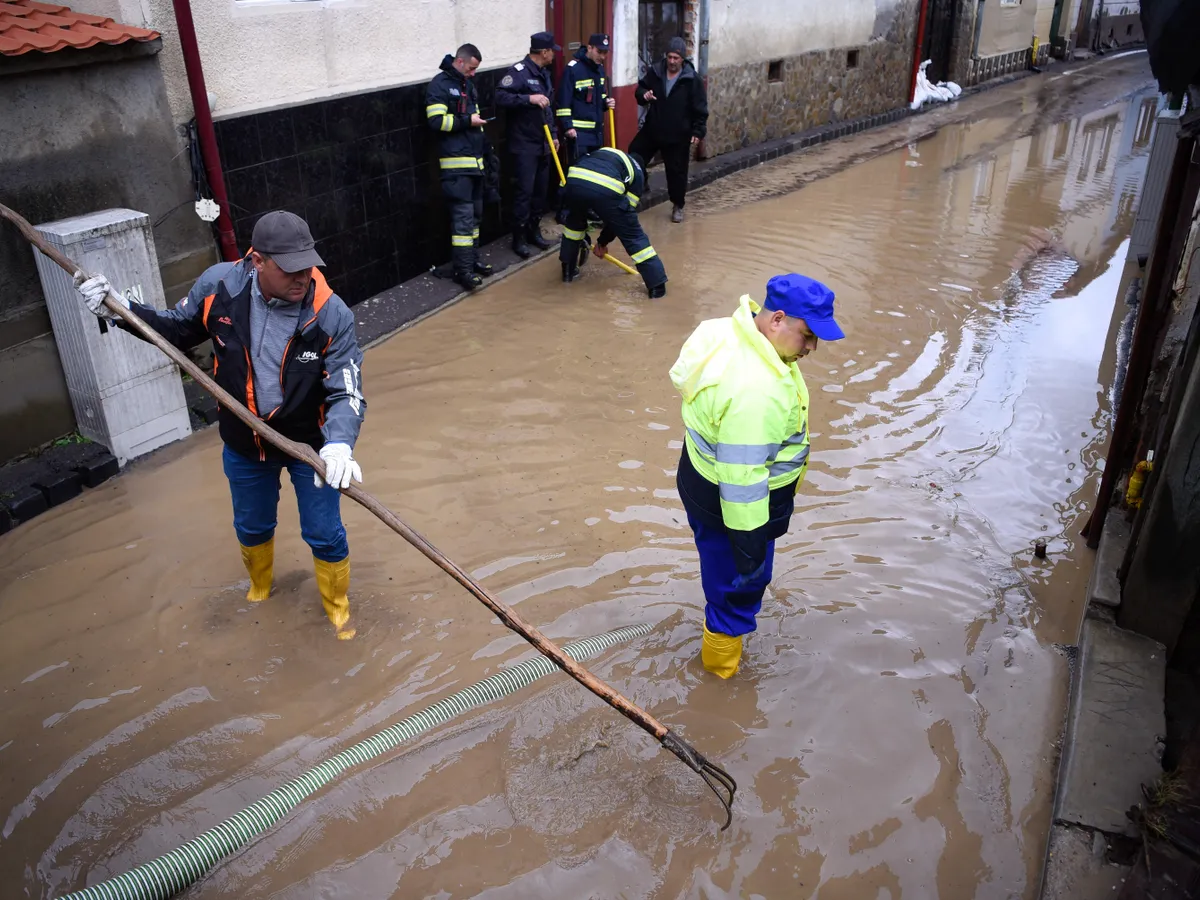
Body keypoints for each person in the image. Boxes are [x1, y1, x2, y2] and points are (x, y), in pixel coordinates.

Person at [73, 211, 367, 641]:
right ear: (257, 261)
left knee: (324, 533)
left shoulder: (330, 314)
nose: (302, 277)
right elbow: (177, 330)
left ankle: (338, 612)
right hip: (245, 442)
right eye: (289, 269)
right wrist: (121, 310)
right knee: (251, 526)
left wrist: (339, 443)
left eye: (307, 266)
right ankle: (260, 589)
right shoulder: (220, 287)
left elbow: (347, 389)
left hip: (310, 446)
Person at [669, 275, 845, 678]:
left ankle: (719, 653)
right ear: (777, 320)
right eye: (808, 336)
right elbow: (742, 477)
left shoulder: (724, 329)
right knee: (736, 591)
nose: (812, 348)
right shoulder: (757, 391)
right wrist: (749, 545)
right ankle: (720, 677)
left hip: (697, 475)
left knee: (721, 573)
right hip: (734, 507)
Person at [558, 147, 667, 298]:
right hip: (606, 187)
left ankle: (568, 273)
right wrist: (602, 243)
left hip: (573, 182)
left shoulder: (609, 153)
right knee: (633, 236)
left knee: (573, 226)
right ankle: (657, 287)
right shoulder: (638, 174)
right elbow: (620, 219)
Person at [426, 43, 491, 290]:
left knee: (475, 218)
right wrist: (467, 121)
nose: (473, 73)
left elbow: (475, 122)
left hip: (475, 163)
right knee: (463, 221)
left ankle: (472, 261)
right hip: (456, 167)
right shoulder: (440, 85)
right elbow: (435, 121)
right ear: (460, 61)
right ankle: (463, 271)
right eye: (471, 68)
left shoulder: (467, 85)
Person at [631, 36, 709, 224]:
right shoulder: (656, 72)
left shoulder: (692, 80)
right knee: (634, 154)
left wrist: (698, 131)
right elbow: (640, 90)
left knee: (677, 173)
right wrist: (644, 94)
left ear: (683, 59)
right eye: (670, 57)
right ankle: (642, 183)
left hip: (678, 134)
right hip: (653, 128)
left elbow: (700, 109)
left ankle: (678, 205)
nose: (672, 61)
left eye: (676, 58)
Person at [496, 31, 560, 259]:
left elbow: (548, 109)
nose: (554, 55)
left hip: (543, 143)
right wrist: (528, 98)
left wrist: (554, 135)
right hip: (524, 145)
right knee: (524, 193)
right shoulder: (519, 73)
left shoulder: (544, 74)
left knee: (540, 193)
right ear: (544, 52)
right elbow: (500, 97)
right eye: (552, 51)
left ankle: (534, 231)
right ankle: (519, 238)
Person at [556, 33, 615, 163]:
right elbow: (563, 102)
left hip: (597, 133)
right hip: (578, 134)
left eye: (605, 53)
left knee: (594, 169)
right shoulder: (573, 69)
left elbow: (600, 97)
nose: (602, 57)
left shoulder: (600, 70)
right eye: (599, 52)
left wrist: (606, 102)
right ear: (589, 48)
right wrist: (568, 127)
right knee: (578, 170)